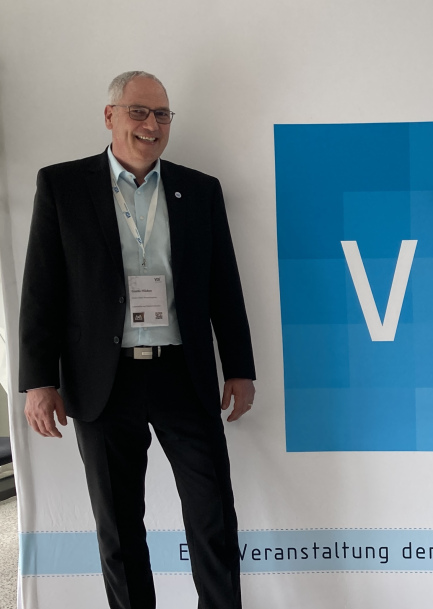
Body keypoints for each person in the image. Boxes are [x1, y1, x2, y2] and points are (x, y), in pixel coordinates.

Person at [19, 71, 256, 609]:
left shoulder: (200, 190)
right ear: (111, 116)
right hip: (103, 381)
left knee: (213, 518)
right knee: (120, 530)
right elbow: (41, 289)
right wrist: (38, 381)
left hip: (183, 374)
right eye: (139, 112)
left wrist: (240, 368)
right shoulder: (62, 186)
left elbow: (224, 285)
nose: (152, 124)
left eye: (162, 114)